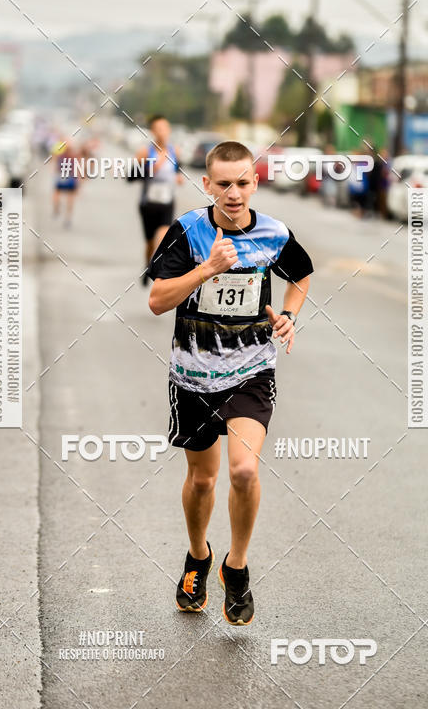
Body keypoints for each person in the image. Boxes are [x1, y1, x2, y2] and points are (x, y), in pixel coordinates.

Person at [147, 141, 313, 625]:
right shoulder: (189, 231)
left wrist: (288, 314)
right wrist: (207, 269)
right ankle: (198, 556)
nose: (234, 193)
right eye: (224, 184)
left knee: (243, 472)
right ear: (208, 185)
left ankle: (235, 567)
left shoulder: (273, 233)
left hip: (252, 371)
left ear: (255, 183)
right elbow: (157, 301)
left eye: (243, 182)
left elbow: (300, 275)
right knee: (203, 480)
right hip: (193, 376)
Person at [133, 115, 184, 285]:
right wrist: (151, 168)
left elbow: (178, 169)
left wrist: (178, 177)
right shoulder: (146, 152)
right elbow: (131, 176)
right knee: (149, 242)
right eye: (159, 128)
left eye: (165, 128)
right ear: (153, 131)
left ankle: (156, 268)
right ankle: (148, 265)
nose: (163, 132)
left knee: (163, 236)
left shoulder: (174, 151)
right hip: (148, 203)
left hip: (167, 201)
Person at [52, 139, 80, 228]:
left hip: (61, 178)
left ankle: (57, 209)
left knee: (57, 194)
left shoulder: (60, 156)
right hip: (71, 179)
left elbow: (56, 167)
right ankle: (67, 218)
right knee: (70, 200)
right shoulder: (75, 157)